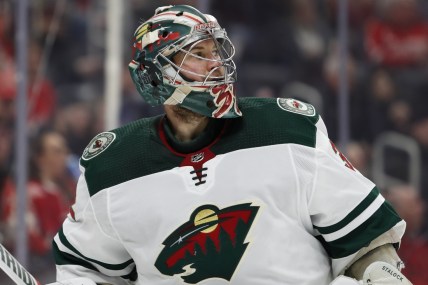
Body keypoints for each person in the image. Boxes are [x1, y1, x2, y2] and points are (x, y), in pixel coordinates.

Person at [52, 5, 412, 285]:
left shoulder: (286, 130)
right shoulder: (113, 166)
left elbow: (365, 237)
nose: (216, 64)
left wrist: (379, 272)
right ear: (153, 75)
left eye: (215, 50)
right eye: (197, 54)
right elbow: (85, 267)